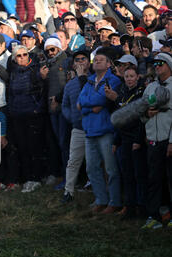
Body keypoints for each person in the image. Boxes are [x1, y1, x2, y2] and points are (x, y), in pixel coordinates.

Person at [77, 50, 122, 214]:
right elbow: (80, 102)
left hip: (106, 130)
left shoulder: (113, 80)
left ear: (109, 64)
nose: (96, 62)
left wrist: (89, 105)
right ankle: (100, 199)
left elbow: (101, 100)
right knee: (92, 168)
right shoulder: (89, 81)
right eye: (95, 60)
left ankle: (114, 201)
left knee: (111, 169)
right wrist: (91, 107)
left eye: (101, 60)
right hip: (89, 130)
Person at [106, 66, 148, 220]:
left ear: (137, 77)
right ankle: (129, 207)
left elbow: (142, 120)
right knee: (127, 175)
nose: (129, 79)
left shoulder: (141, 93)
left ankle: (142, 208)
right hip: (124, 139)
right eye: (127, 76)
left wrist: (138, 140)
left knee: (139, 176)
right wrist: (116, 141)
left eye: (132, 76)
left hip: (136, 140)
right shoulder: (122, 94)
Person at [7, 45, 46, 193]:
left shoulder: (36, 70)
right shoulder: (13, 73)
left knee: (34, 147)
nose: (22, 58)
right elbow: (11, 93)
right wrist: (11, 110)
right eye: (19, 56)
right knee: (22, 148)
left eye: (25, 55)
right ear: (14, 59)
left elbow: (43, 91)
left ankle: (36, 178)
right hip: (17, 114)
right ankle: (28, 178)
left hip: (33, 114)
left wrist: (38, 109)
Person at [140, 52, 172, 229]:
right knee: (153, 179)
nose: (157, 66)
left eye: (161, 63)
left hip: (169, 139)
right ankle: (154, 215)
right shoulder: (150, 87)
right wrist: (146, 115)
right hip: (153, 139)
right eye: (155, 64)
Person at [61, 51, 91, 203]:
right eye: (77, 60)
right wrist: (71, 117)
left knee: (95, 163)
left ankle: (99, 193)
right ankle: (69, 192)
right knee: (73, 161)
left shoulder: (94, 79)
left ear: (89, 62)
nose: (80, 62)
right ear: (73, 64)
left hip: (94, 126)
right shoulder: (70, 85)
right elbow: (65, 105)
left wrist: (82, 78)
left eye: (83, 59)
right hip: (78, 127)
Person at [40, 37, 71, 189]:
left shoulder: (66, 62)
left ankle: (69, 179)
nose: (50, 53)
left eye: (53, 49)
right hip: (53, 109)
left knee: (65, 144)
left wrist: (58, 99)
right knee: (60, 143)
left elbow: (69, 84)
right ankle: (65, 176)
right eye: (47, 51)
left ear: (59, 48)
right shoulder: (48, 65)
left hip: (64, 108)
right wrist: (43, 79)